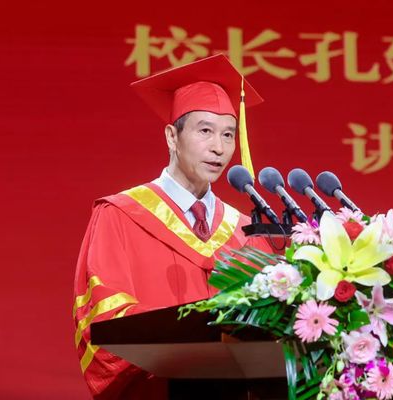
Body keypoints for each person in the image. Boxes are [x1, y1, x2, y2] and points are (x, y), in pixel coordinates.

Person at [73, 55, 274, 399]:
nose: (219, 147)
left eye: (228, 134)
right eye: (205, 131)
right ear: (171, 136)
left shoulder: (246, 231)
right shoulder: (120, 215)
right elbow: (105, 320)